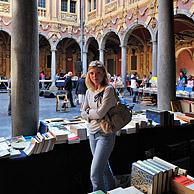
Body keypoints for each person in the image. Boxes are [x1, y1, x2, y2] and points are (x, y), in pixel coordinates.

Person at [81, 60, 117, 192]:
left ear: (103, 74)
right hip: (92, 132)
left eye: (98, 73)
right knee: (104, 167)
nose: (94, 76)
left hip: (105, 134)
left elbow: (101, 113)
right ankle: (112, 189)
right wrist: (91, 113)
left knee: (95, 174)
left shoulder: (108, 90)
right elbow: (82, 112)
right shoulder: (89, 91)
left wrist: (88, 112)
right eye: (91, 73)